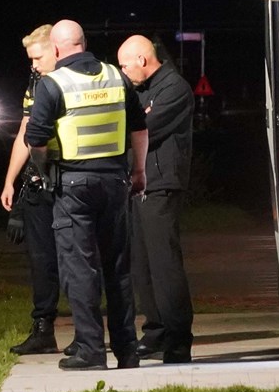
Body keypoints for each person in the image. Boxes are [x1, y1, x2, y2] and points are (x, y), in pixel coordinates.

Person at [25, 19, 148, 371]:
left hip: (73, 186)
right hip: (115, 182)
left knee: (80, 268)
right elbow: (140, 128)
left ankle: (91, 350)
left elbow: (35, 139)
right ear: (83, 42)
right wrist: (139, 171)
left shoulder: (53, 84)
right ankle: (127, 350)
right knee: (118, 268)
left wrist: (43, 171)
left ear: (57, 48)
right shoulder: (116, 77)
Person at [116, 35, 194, 364]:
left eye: (125, 65)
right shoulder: (141, 90)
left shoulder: (174, 88)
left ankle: (178, 338)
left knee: (164, 264)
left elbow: (143, 129)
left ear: (143, 60)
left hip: (160, 185)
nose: (122, 72)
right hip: (139, 184)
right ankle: (156, 332)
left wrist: (136, 121)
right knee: (142, 265)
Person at [0, 24, 65, 355]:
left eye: (38, 58)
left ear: (57, 50)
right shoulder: (36, 84)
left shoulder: (71, 82)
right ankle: (43, 330)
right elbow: (25, 132)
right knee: (41, 260)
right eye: (30, 59)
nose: (34, 65)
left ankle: (89, 331)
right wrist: (10, 180)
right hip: (40, 182)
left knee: (77, 259)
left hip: (70, 180)